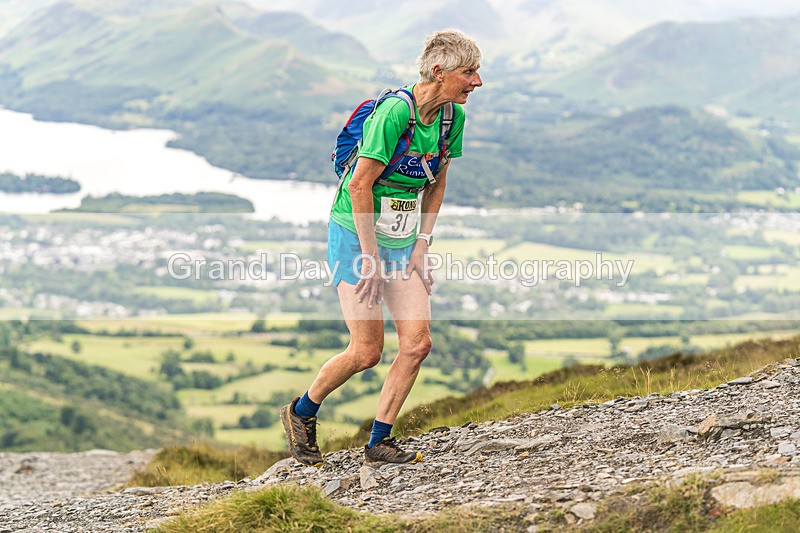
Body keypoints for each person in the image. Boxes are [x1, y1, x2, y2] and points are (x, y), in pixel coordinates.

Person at [281, 29, 482, 467]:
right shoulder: (395, 113)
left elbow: (438, 181)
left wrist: (422, 243)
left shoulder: (452, 119)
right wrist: (370, 258)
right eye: (469, 72)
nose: (477, 82)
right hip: (356, 235)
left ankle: (379, 443)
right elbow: (359, 185)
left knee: (418, 343)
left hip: (402, 240)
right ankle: (301, 412)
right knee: (366, 351)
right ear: (438, 71)